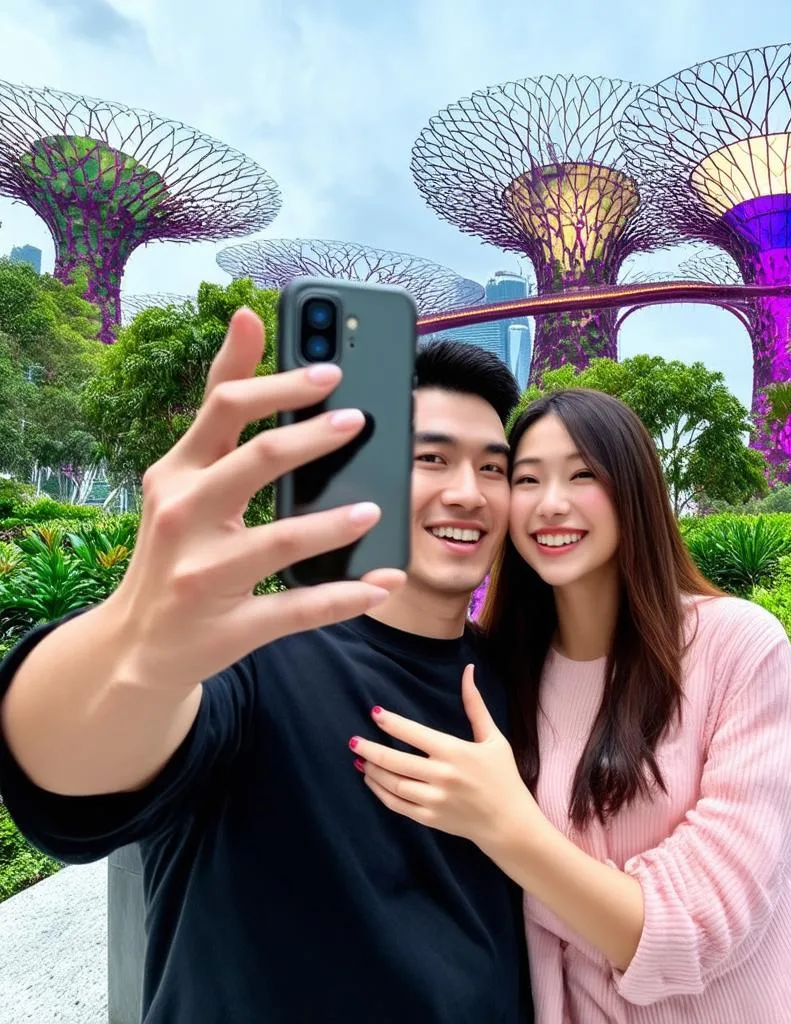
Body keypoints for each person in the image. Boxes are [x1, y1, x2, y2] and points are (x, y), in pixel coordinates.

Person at [0, 309, 533, 1023]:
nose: (469, 491)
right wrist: (137, 639)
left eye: (493, 468)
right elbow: (69, 774)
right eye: (430, 458)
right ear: (363, 474)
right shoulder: (250, 662)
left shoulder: (523, 684)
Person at [352, 388, 791, 1023]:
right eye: (527, 480)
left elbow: (702, 922)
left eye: (583, 475)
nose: (552, 505)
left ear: (635, 490)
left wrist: (506, 826)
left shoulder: (736, 647)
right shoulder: (500, 676)